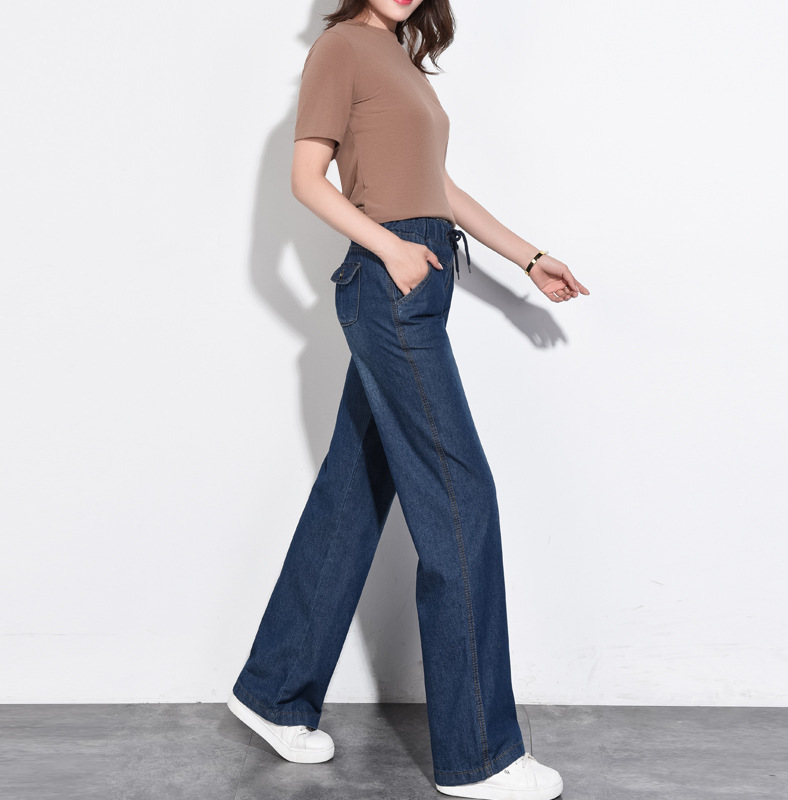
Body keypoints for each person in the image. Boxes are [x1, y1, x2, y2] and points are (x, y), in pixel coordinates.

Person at [228, 1, 589, 798]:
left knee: (353, 495)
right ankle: (479, 757)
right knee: (462, 498)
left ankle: (273, 690)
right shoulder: (340, 47)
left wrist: (529, 257)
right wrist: (390, 247)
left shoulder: (399, 58)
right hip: (387, 288)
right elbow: (305, 179)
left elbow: (439, 188)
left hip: (416, 285)